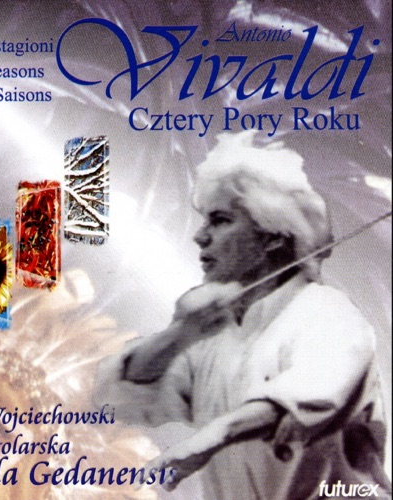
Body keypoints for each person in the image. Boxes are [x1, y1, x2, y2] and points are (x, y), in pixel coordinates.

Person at [96, 133, 391, 499]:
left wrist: (209, 439)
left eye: (220, 220)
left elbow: (314, 392)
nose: (200, 237)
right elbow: (115, 400)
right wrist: (181, 334)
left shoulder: (328, 312)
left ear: (273, 236)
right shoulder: (216, 332)